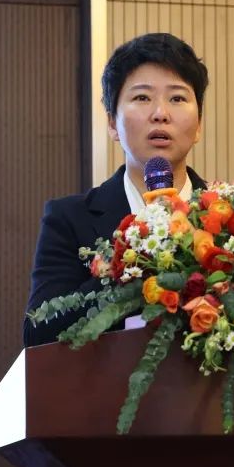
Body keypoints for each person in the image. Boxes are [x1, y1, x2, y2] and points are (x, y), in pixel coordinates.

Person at [23, 32, 210, 346]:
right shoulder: (69, 219)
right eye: (142, 98)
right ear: (112, 123)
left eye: (177, 98)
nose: (160, 113)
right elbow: (38, 335)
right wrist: (135, 256)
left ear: (199, 124)